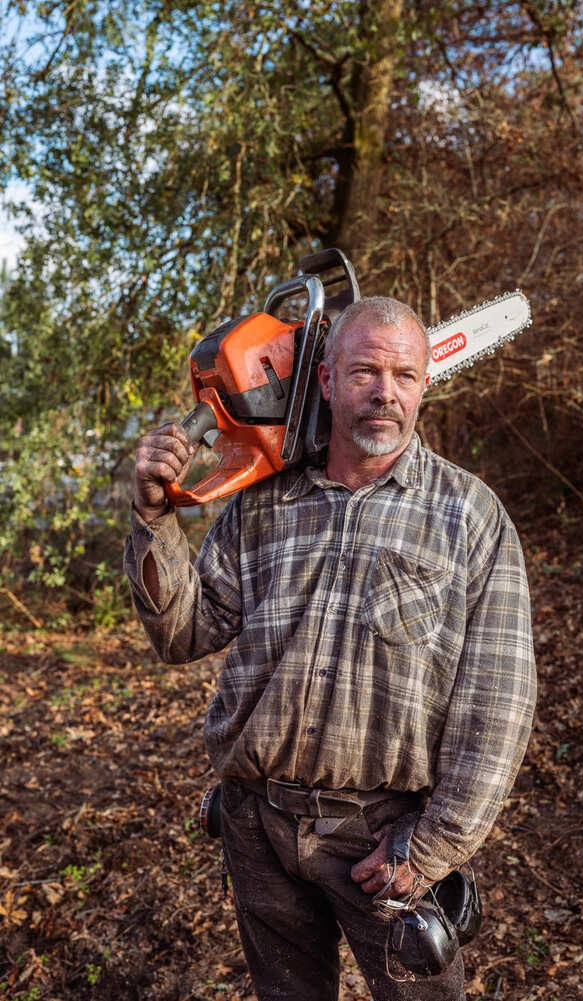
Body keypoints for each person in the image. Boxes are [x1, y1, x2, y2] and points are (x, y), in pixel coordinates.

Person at [124, 296, 537, 1001]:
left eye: (404, 375)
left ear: (427, 382)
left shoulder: (468, 515)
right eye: (364, 372)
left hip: (382, 837)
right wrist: (154, 514)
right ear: (322, 381)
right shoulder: (263, 504)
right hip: (257, 822)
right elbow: (182, 632)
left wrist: (433, 846)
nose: (385, 392)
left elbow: (498, 704)